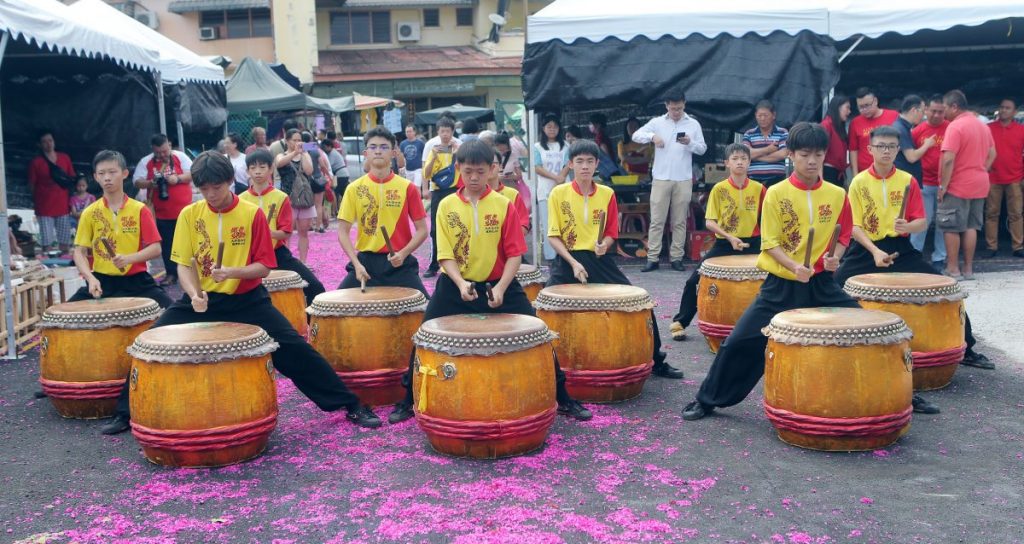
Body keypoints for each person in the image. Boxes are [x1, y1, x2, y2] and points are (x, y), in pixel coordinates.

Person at [100, 151, 381, 435]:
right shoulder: (189, 214)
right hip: (201, 301)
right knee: (147, 346)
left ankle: (350, 404)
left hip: (247, 300)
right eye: (204, 189)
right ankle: (125, 412)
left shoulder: (251, 214)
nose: (210, 194)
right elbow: (183, 264)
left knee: (296, 351)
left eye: (217, 187)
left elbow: (263, 267)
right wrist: (193, 294)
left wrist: (233, 272)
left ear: (231, 181)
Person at [388, 140, 592, 424]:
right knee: (423, 335)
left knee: (540, 334)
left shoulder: (503, 205)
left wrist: (500, 287)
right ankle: (407, 399)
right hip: (454, 285)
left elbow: (514, 255)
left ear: (491, 170)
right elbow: (445, 256)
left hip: (499, 284)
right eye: (468, 171)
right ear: (458, 168)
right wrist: (460, 284)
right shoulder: (446, 205)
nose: (473, 177)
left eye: (480, 172)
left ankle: (563, 396)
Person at [681, 122, 860, 421]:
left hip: (821, 285)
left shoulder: (837, 194)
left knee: (868, 329)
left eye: (818, 154)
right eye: (805, 154)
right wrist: (793, 266)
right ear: (791, 154)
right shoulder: (776, 193)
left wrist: (834, 259)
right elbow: (770, 243)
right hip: (781, 285)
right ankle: (708, 399)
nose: (812, 161)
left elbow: (843, 236)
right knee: (739, 341)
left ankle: (901, 392)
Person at [835, 126, 993, 379]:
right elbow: (854, 226)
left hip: (901, 248)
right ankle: (823, 342)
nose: (886, 151)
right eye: (881, 146)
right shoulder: (858, 182)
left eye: (891, 146)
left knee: (946, 290)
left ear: (898, 149)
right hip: (866, 249)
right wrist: (875, 251)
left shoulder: (908, 180)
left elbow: (921, 221)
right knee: (832, 286)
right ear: (870, 149)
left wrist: (907, 226)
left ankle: (969, 348)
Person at [546, 139, 682, 380]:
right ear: (570, 164)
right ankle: (544, 365)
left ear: (597, 164)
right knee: (544, 308)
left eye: (590, 161)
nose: (585, 166)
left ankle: (656, 360)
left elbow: (611, 234)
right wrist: (574, 263)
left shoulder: (607, 193)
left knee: (638, 303)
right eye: (579, 162)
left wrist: (604, 245)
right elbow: (554, 237)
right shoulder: (558, 193)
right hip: (567, 259)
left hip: (598, 259)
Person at [669, 144, 765, 341]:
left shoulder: (760, 189)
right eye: (735, 158)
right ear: (727, 163)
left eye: (744, 159)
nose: (740, 162)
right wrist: (730, 237)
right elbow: (710, 222)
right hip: (724, 244)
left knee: (774, 282)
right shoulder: (719, 190)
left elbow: (768, 219)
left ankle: (770, 325)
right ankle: (681, 321)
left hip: (754, 244)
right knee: (694, 281)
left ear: (749, 162)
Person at [69, 149, 172, 309]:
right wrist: (90, 278)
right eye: (101, 173)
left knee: (171, 313)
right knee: (61, 320)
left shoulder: (139, 209)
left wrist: (129, 258)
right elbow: (79, 251)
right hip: (102, 281)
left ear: (124, 174)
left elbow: (156, 248)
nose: (107, 178)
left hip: (137, 282)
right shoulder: (89, 212)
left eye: (112, 172)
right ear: (96, 177)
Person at [336, 127, 429, 296]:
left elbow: (422, 230)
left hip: (399, 264)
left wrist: (403, 254)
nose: (378, 151)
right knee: (332, 309)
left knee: (425, 310)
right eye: (373, 147)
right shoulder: (353, 189)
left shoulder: (407, 188)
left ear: (393, 153)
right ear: (366, 153)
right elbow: (342, 232)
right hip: (365, 264)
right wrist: (356, 264)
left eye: (384, 147)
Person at [632, 92, 707, 272]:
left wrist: (689, 143)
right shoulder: (657, 122)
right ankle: (652, 257)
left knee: (680, 220)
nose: (676, 112)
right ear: (666, 106)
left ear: (684, 105)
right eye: (673, 108)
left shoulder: (693, 123)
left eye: (679, 108)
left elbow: (702, 148)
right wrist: (652, 137)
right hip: (661, 178)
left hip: (683, 178)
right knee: (657, 220)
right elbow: (636, 135)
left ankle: (677, 257)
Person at [239, 149, 326, 305]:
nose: (257, 172)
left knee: (315, 287)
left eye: (262, 167)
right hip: (250, 256)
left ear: (271, 169)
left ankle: (308, 324)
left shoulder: (280, 197)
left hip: (277, 254)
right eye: (253, 168)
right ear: (247, 171)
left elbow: (285, 233)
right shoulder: (241, 200)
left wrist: (267, 233)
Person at [938, 90, 996, 281]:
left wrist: (943, 186)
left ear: (954, 107)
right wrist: (980, 169)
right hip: (979, 183)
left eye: (945, 107)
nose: (944, 112)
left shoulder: (955, 127)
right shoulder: (982, 126)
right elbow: (992, 154)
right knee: (972, 226)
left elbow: (948, 160)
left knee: (951, 226)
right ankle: (968, 269)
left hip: (957, 184)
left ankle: (953, 269)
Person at [133, 133, 193, 287]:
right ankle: (171, 274)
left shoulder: (181, 157)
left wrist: (177, 178)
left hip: (184, 211)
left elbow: (193, 173)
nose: (161, 155)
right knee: (167, 245)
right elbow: (136, 181)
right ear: (153, 149)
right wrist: (150, 183)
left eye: (164, 151)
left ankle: (193, 273)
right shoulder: (146, 161)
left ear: (169, 145)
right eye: (158, 152)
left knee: (189, 243)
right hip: (161, 213)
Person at [910, 96, 950, 269]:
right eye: (933, 111)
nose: (936, 115)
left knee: (943, 222)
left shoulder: (950, 128)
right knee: (922, 221)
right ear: (926, 110)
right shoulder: (918, 130)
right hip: (924, 183)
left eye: (940, 112)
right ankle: (914, 254)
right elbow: (910, 155)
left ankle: (939, 257)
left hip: (944, 183)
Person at [982, 98, 1024, 258]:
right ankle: (991, 246)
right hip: (993, 177)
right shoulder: (988, 128)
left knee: (1016, 214)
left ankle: (1018, 246)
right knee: (992, 213)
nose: (1003, 110)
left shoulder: (1021, 130)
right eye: (1001, 107)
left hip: (1015, 177)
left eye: (1007, 108)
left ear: (1014, 112)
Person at [422, 117, 461, 278]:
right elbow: (426, 172)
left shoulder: (459, 146)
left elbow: (465, 166)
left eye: (448, 131)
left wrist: (457, 152)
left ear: (452, 132)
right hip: (438, 191)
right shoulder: (433, 147)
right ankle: (434, 264)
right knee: (435, 229)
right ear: (438, 132)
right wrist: (435, 156)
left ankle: (458, 262)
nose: (445, 134)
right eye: (442, 131)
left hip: (456, 190)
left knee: (457, 226)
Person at [27, 129, 75, 253]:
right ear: (40, 144)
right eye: (44, 141)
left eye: (50, 140)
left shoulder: (65, 158)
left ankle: (65, 264)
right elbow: (32, 185)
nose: (48, 144)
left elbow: (71, 179)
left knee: (65, 242)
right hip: (44, 207)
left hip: (62, 205)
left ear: (54, 142)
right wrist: (38, 202)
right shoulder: (36, 162)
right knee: (46, 243)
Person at [533, 115, 570, 262]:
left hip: (564, 188)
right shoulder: (537, 147)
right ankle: (551, 256)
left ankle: (566, 252)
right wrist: (555, 178)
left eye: (555, 126)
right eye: (549, 126)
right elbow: (537, 167)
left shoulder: (566, 145)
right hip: (545, 190)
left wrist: (561, 178)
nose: (552, 129)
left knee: (565, 220)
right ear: (543, 128)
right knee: (548, 223)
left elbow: (568, 164)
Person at [275, 129, 316, 262]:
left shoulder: (305, 154)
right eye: (295, 140)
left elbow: (309, 171)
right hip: (288, 199)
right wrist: (294, 153)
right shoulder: (281, 155)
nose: (298, 143)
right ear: (287, 141)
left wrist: (302, 154)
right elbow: (279, 164)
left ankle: (303, 262)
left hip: (304, 198)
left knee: (303, 233)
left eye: (300, 140)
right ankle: (288, 261)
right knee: (287, 233)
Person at [849, 87, 900, 176]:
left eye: (867, 105)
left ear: (875, 101)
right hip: (865, 173)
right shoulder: (855, 123)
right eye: (860, 107)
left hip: (890, 171)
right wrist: (855, 174)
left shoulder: (893, 116)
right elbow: (853, 150)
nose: (864, 110)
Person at [742, 100, 789, 187]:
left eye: (765, 115)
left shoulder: (783, 132)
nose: (762, 118)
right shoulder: (749, 134)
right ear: (755, 115)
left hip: (777, 181)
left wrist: (756, 156)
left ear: (773, 115)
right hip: (753, 180)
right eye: (760, 115)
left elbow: (783, 154)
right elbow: (745, 154)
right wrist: (768, 149)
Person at [892, 95, 933, 186]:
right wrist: (927, 144)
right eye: (922, 112)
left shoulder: (903, 127)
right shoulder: (900, 129)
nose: (923, 116)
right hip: (904, 183)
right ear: (914, 110)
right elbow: (911, 157)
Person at [302, 131, 333, 234]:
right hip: (318, 178)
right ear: (310, 139)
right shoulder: (314, 149)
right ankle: (319, 226)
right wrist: (328, 175)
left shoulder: (301, 151)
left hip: (306, 180)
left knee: (309, 204)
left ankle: (310, 225)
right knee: (318, 205)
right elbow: (323, 165)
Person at [821, 94, 851, 186]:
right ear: (838, 107)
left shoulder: (838, 127)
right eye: (847, 108)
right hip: (828, 172)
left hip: (839, 173)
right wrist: (820, 177)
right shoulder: (826, 125)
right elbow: (819, 152)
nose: (849, 112)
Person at [400, 125, 425, 193]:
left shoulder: (420, 143)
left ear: (414, 132)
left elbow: (424, 156)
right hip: (408, 170)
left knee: (417, 187)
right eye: (407, 132)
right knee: (409, 188)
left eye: (410, 131)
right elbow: (401, 157)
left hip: (418, 169)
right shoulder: (402, 144)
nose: (408, 133)